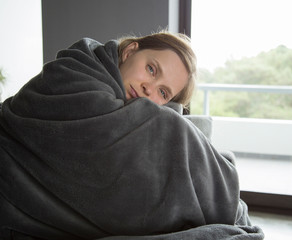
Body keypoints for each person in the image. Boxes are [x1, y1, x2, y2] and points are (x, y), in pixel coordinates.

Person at [0, 31, 264, 240]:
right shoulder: (73, 73)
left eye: (163, 93)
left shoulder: (132, 102)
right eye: (151, 69)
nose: (149, 89)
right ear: (129, 51)